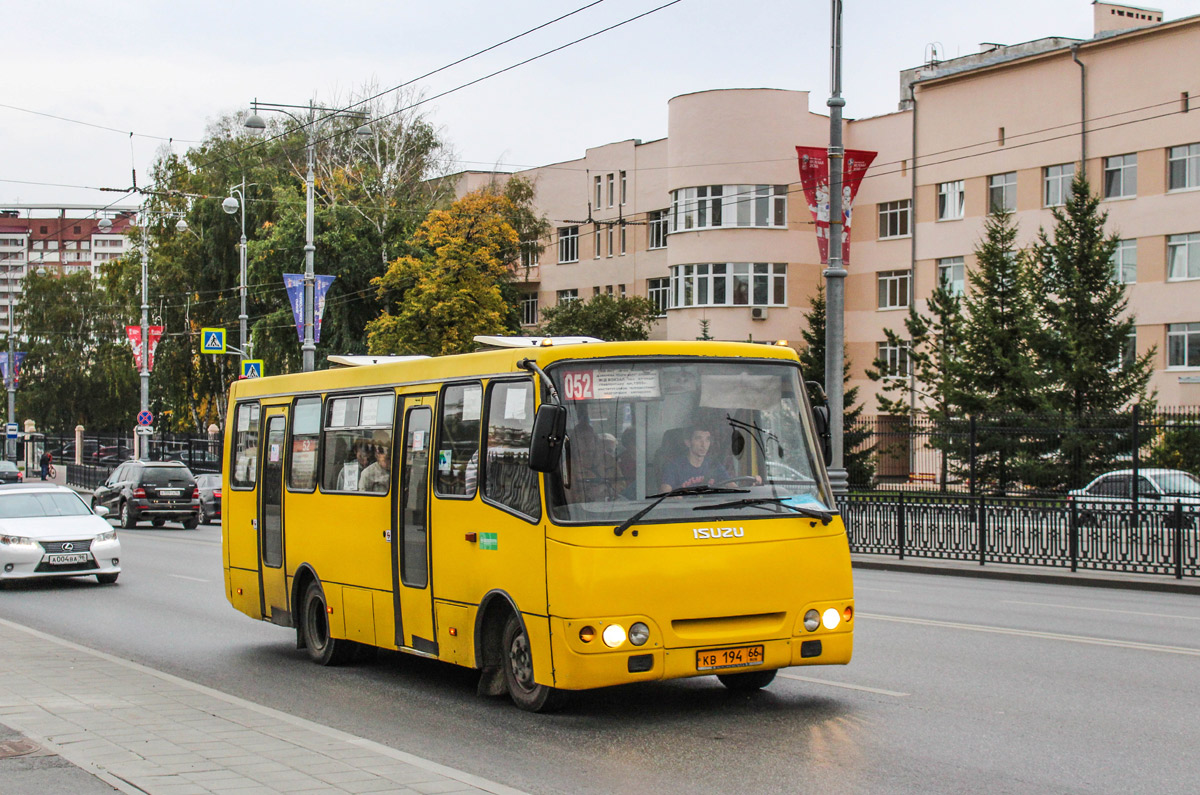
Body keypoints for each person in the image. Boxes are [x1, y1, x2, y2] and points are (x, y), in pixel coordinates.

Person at [660, 426, 730, 491]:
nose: (704, 445)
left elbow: (733, 487)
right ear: (688, 443)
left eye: (707, 440)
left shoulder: (714, 465)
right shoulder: (673, 467)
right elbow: (665, 492)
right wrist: (673, 498)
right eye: (698, 439)